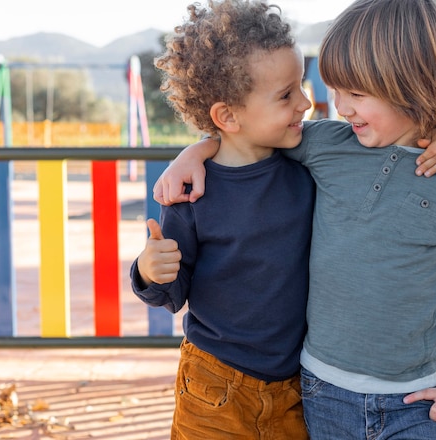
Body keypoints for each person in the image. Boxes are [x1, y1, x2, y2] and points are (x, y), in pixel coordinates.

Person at [149, 1, 436, 440]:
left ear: (413, 86)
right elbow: (246, 133)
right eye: (336, 90)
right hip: (310, 393)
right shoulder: (325, 146)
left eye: (355, 93)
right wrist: (196, 150)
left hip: (411, 401)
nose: (333, 106)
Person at [130, 1, 315, 438]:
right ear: (227, 116)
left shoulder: (310, 169)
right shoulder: (191, 194)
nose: (305, 103)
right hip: (214, 387)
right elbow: (169, 294)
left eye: (300, 86)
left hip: (296, 388)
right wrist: (147, 270)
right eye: (286, 94)